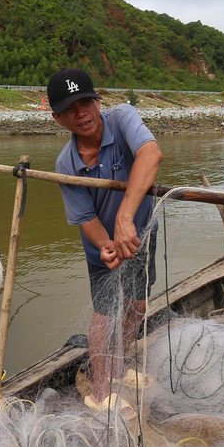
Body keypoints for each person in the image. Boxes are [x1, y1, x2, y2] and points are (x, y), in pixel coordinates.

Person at [48, 67, 163, 407]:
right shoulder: (66, 164)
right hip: (104, 244)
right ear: (58, 118)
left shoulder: (122, 117)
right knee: (105, 313)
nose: (81, 113)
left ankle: (119, 365)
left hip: (141, 231)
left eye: (86, 102)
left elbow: (151, 154)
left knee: (138, 305)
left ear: (98, 101)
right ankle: (102, 390)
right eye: (71, 108)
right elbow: (85, 217)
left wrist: (126, 218)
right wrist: (105, 244)